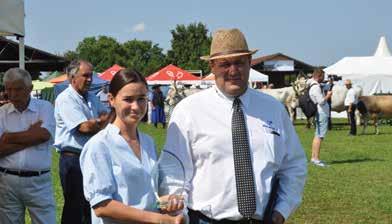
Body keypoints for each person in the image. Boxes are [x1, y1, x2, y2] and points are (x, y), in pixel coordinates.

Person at [164, 28, 307, 224]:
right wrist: (178, 214)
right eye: (225, 64)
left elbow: (293, 165)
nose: (233, 71)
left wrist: (282, 210)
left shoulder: (273, 109)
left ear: (250, 63)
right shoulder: (188, 111)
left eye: (239, 62)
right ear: (212, 67)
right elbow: (173, 171)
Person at [80, 69, 184, 224]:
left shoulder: (148, 142)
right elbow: (102, 205)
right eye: (128, 99)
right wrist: (159, 220)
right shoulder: (99, 146)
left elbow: (145, 199)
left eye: (141, 99)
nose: (136, 107)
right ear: (111, 100)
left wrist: (166, 202)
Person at [54, 60, 109, 224]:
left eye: (91, 75)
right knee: (75, 207)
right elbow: (83, 127)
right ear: (72, 78)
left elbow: (110, 119)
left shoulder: (92, 97)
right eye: (85, 75)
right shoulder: (65, 98)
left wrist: (97, 122)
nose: (90, 79)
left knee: (91, 204)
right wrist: (100, 122)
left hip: (92, 157)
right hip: (73, 159)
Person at [0, 68, 56, 224]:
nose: (12, 94)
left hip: (38, 182)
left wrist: (7, 138)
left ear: (30, 89)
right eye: (8, 89)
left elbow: (43, 135)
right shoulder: (2, 113)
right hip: (7, 182)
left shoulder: (45, 107)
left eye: (18, 89)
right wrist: (31, 135)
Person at [309, 69, 332, 167]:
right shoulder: (316, 87)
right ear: (319, 76)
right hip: (321, 112)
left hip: (320, 112)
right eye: (323, 76)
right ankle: (316, 159)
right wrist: (328, 95)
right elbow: (321, 101)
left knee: (317, 135)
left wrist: (330, 83)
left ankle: (313, 158)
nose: (324, 78)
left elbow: (325, 86)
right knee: (320, 136)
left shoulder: (314, 85)